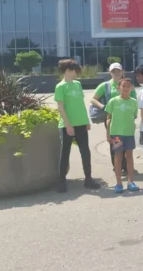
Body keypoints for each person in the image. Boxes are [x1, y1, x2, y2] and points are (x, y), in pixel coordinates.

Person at [55, 59, 100, 193]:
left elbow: (81, 104)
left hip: (81, 123)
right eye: (75, 71)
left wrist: (86, 121)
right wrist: (68, 125)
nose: (77, 73)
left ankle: (88, 179)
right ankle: (62, 180)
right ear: (68, 71)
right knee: (65, 153)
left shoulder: (78, 84)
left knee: (85, 151)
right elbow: (61, 107)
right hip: (67, 125)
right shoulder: (60, 87)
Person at [90, 63, 127, 175]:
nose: (116, 73)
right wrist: (104, 107)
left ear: (122, 72)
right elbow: (93, 99)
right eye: (113, 71)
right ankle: (117, 167)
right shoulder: (105, 85)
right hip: (111, 119)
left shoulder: (127, 84)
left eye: (118, 71)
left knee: (126, 143)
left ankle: (125, 166)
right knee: (115, 143)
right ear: (110, 72)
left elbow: (133, 98)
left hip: (125, 119)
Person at [105, 78, 140, 193]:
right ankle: (119, 182)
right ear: (118, 88)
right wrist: (108, 134)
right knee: (118, 157)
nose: (126, 88)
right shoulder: (113, 101)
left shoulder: (134, 102)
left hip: (129, 133)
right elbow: (108, 119)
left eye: (128, 86)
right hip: (117, 135)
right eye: (123, 86)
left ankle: (131, 182)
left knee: (129, 157)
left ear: (131, 88)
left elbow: (134, 116)